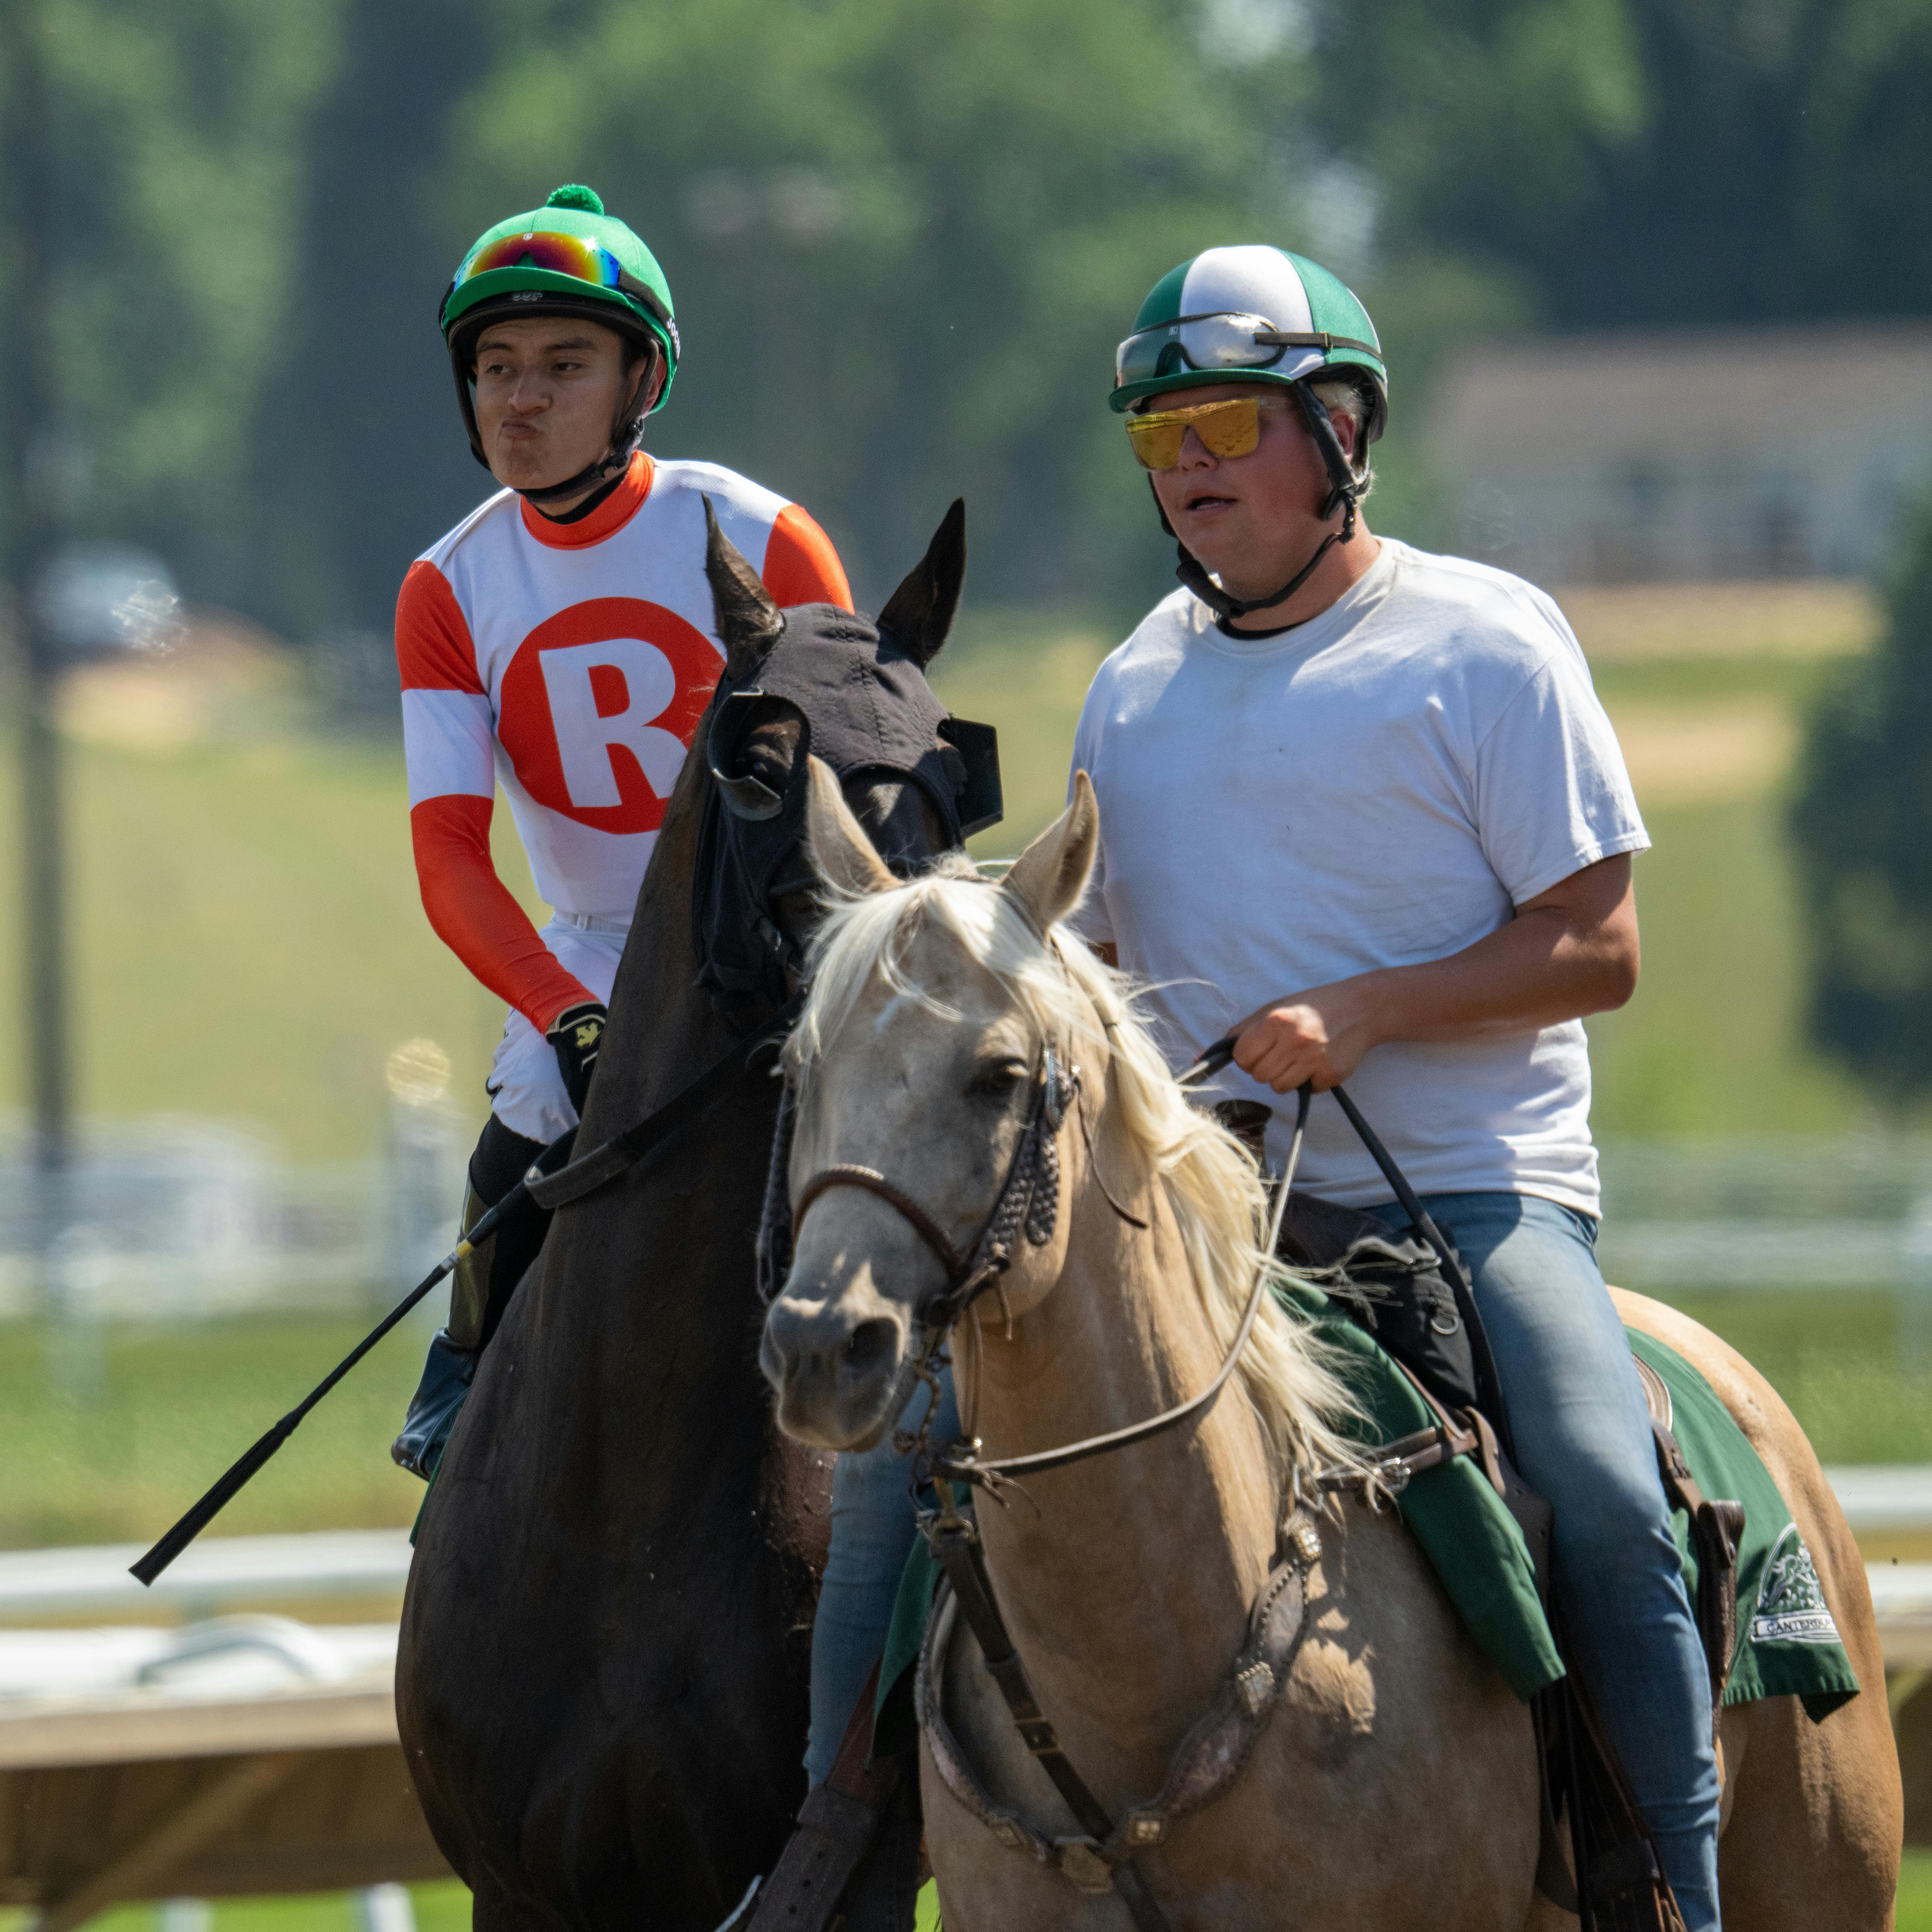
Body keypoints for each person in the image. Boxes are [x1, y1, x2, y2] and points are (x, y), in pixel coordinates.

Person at [1064, 245, 1719, 1928]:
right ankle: (853, 1844)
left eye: (1222, 422)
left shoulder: (1488, 643)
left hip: (1474, 1193)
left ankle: (1673, 1886)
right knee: (933, 1474)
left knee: (1600, 1487)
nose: (1189, 464)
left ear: (1342, 427)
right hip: (1218, 1216)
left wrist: (1365, 1013)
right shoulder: (1130, 688)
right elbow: (1110, 974)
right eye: (1161, 436)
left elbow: (1600, 947)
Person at [390, 184, 851, 1478]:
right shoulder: (447, 584)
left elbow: (857, 790)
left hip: (784, 925)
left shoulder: (766, 535)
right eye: (494, 369)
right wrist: (563, 1008)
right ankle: (465, 1382)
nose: (520, 400)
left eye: (563, 365)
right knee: (534, 1094)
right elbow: (449, 859)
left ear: (640, 377)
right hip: (595, 947)